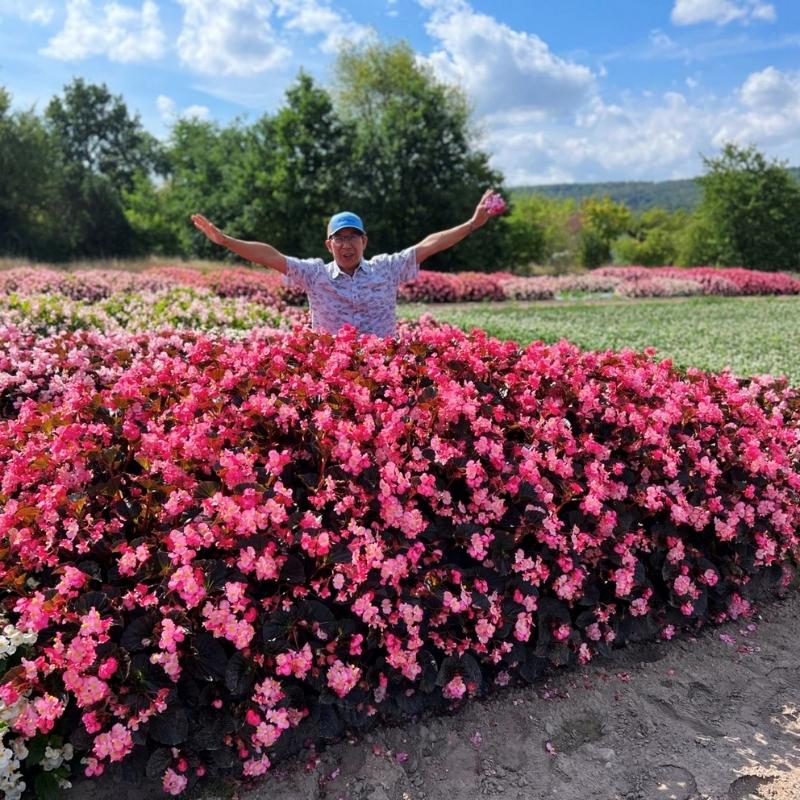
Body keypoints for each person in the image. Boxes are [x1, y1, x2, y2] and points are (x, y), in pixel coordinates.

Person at [190, 189, 499, 337]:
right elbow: (271, 256)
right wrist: (226, 241)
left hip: (384, 372)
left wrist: (471, 225)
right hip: (332, 376)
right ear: (329, 244)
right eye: (340, 238)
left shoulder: (385, 268)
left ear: (364, 241)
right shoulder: (314, 274)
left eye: (354, 237)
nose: (347, 244)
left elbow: (429, 244)